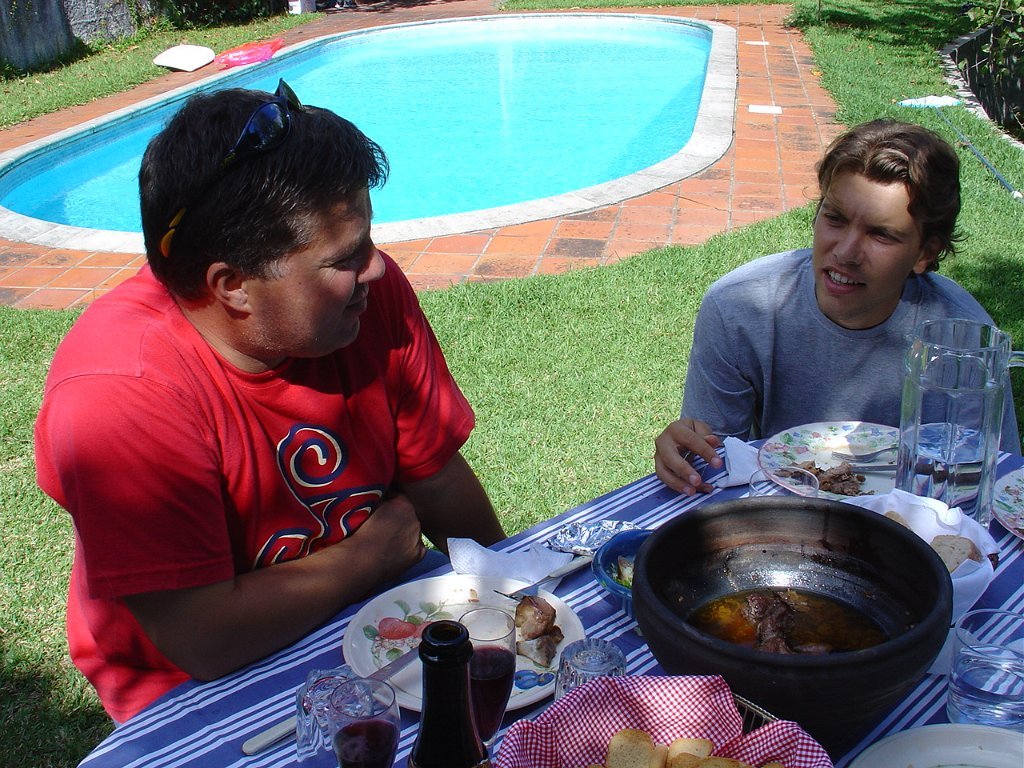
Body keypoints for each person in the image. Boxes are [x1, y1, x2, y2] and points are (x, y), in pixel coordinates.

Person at [34, 81, 506, 723]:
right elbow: (202, 639)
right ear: (233, 286)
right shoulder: (120, 393)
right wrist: (370, 554)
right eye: (345, 258)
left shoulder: (365, 300)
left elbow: (437, 476)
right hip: (196, 683)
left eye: (366, 241)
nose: (374, 268)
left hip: (379, 604)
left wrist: (508, 594)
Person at [655, 118, 1021, 495]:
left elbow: (991, 481)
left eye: (880, 234)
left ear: (924, 254)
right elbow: (715, 467)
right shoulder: (740, 309)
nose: (846, 253)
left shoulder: (962, 339)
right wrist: (688, 454)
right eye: (835, 218)